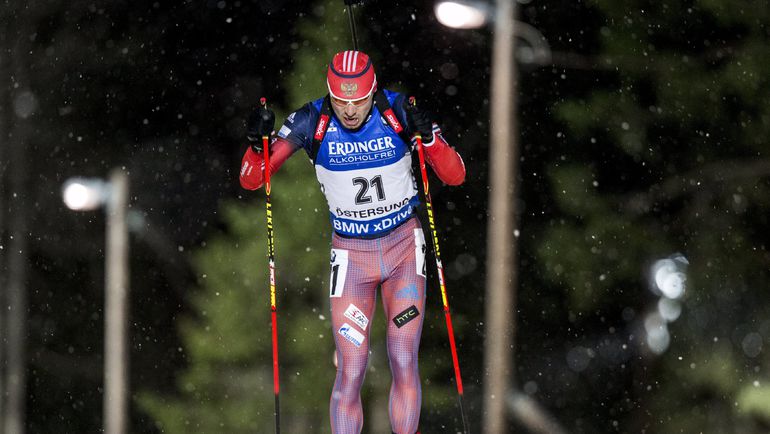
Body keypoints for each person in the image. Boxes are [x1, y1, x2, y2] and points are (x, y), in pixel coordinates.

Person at [239, 50, 465, 434]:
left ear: (372, 91)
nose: (349, 110)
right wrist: (256, 143)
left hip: (403, 252)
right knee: (352, 365)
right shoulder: (312, 120)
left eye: (358, 101)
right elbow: (251, 178)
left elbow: (455, 175)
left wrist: (429, 139)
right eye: (340, 100)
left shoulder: (398, 113)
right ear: (330, 94)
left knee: (402, 354)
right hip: (351, 256)